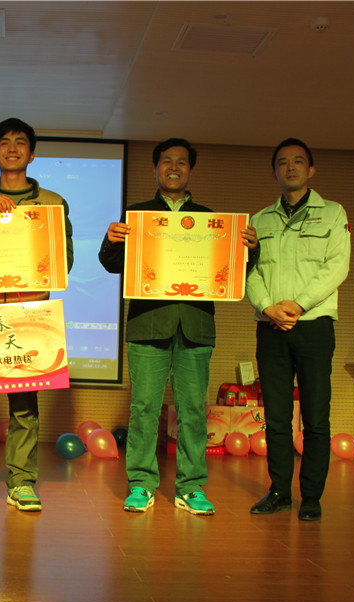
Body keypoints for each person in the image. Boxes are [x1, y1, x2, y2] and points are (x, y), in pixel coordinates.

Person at [98, 138, 257, 516]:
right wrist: (111, 240)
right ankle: (141, 484)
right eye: (166, 161)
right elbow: (111, 264)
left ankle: (191, 487)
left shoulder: (210, 219)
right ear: (155, 168)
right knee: (144, 409)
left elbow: (234, 272)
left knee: (193, 411)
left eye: (181, 162)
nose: (174, 167)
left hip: (195, 327)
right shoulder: (137, 216)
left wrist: (250, 249)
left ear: (190, 170)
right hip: (147, 326)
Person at [0, 118, 74, 512]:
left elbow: (64, 261)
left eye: (20, 142)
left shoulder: (53, 203)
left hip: (30, 313)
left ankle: (21, 482)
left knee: (25, 405)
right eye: (4, 143)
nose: (12, 148)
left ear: (32, 153)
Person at [247, 138, 350, 522]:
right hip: (270, 327)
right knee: (276, 418)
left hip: (314, 326)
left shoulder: (333, 213)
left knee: (316, 416)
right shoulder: (259, 220)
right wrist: (267, 307)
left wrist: (299, 305)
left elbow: (337, 266)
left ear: (311, 169)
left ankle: (311, 496)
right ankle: (278, 492)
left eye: (298, 161)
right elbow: (248, 270)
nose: (290, 168)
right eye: (283, 162)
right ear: (274, 171)